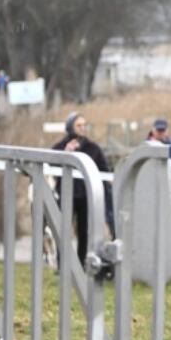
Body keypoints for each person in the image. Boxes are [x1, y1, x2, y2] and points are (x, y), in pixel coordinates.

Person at [51, 112, 114, 272]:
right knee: (63, 230)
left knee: (84, 231)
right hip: (66, 194)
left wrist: (111, 184)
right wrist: (66, 153)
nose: (83, 128)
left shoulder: (93, 148)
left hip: (86, 196)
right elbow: (49, 165)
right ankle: (62, 264)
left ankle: (81, 264)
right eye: (79, 125)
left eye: (84, 125)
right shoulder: (59, 147)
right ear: (70, 127)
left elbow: (104, 170)